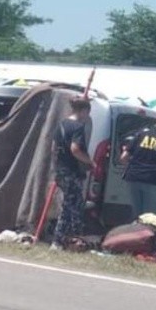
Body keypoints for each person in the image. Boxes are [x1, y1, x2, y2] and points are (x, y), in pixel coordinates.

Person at [50, 98, 95, 250]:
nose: (87, 116)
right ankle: (61, 240)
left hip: (61, 170)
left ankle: (71, 238)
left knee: (73, 205)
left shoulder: (61, 125)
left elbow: (53, 148)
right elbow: (75, 149)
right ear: (83, 111)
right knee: (70, 206)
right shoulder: (78, 127)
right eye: (87, 113)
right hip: (72, 171)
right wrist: (89, 162)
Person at [119, 119, 156, 219]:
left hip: (133, 177)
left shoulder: (140, 134)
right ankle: (146, 233)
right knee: (148, 217)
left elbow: (123, 158)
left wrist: (132, 166)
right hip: (152, 180)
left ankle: (136, 232)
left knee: (136, 215)